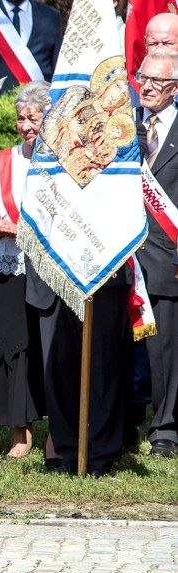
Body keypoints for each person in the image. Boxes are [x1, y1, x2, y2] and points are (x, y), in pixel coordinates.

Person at [0, 81, 49, 458]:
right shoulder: (4, 160)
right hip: (12, 267)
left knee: (48, 345)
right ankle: (20, 432)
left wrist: (21, 230)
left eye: (34, 118)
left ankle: (57, 430)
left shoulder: (63, 163)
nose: (25, 125)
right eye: (21, 118)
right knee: (13, 344)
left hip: (50, 270)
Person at [135, 47, 178, 458]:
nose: (146, 86)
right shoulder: (121, 125)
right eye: (142, 77)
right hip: (120, 256)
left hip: (166, 255)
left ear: (175, 88)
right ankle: (119, 420)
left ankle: (164, 428)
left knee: (163, 351)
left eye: (157, 81)